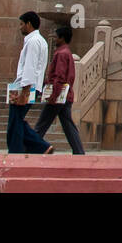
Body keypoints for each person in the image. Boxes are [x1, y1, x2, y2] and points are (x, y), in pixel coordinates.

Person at [33, 25, 85, 154]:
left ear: (62, 38)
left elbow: (59, 77)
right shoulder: (66, 53)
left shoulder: (61, 54)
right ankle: (79, 152)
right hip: (66, 96)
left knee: (42, 124)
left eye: (56, 37)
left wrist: (53, 95)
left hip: (58, 96)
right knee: (68, 126)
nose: (54, 39)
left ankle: (32, 146)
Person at [7, 10, 52, 155]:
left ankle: (34, 147)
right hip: (29, 85)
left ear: (29, 24)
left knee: (15, 120)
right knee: (16, 120)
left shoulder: (33, 41)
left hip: (26, 86)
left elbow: (30, 67)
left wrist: (25, 90)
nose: (20, 27)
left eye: (21, 24)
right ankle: (36, 147)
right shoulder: (40, 41)